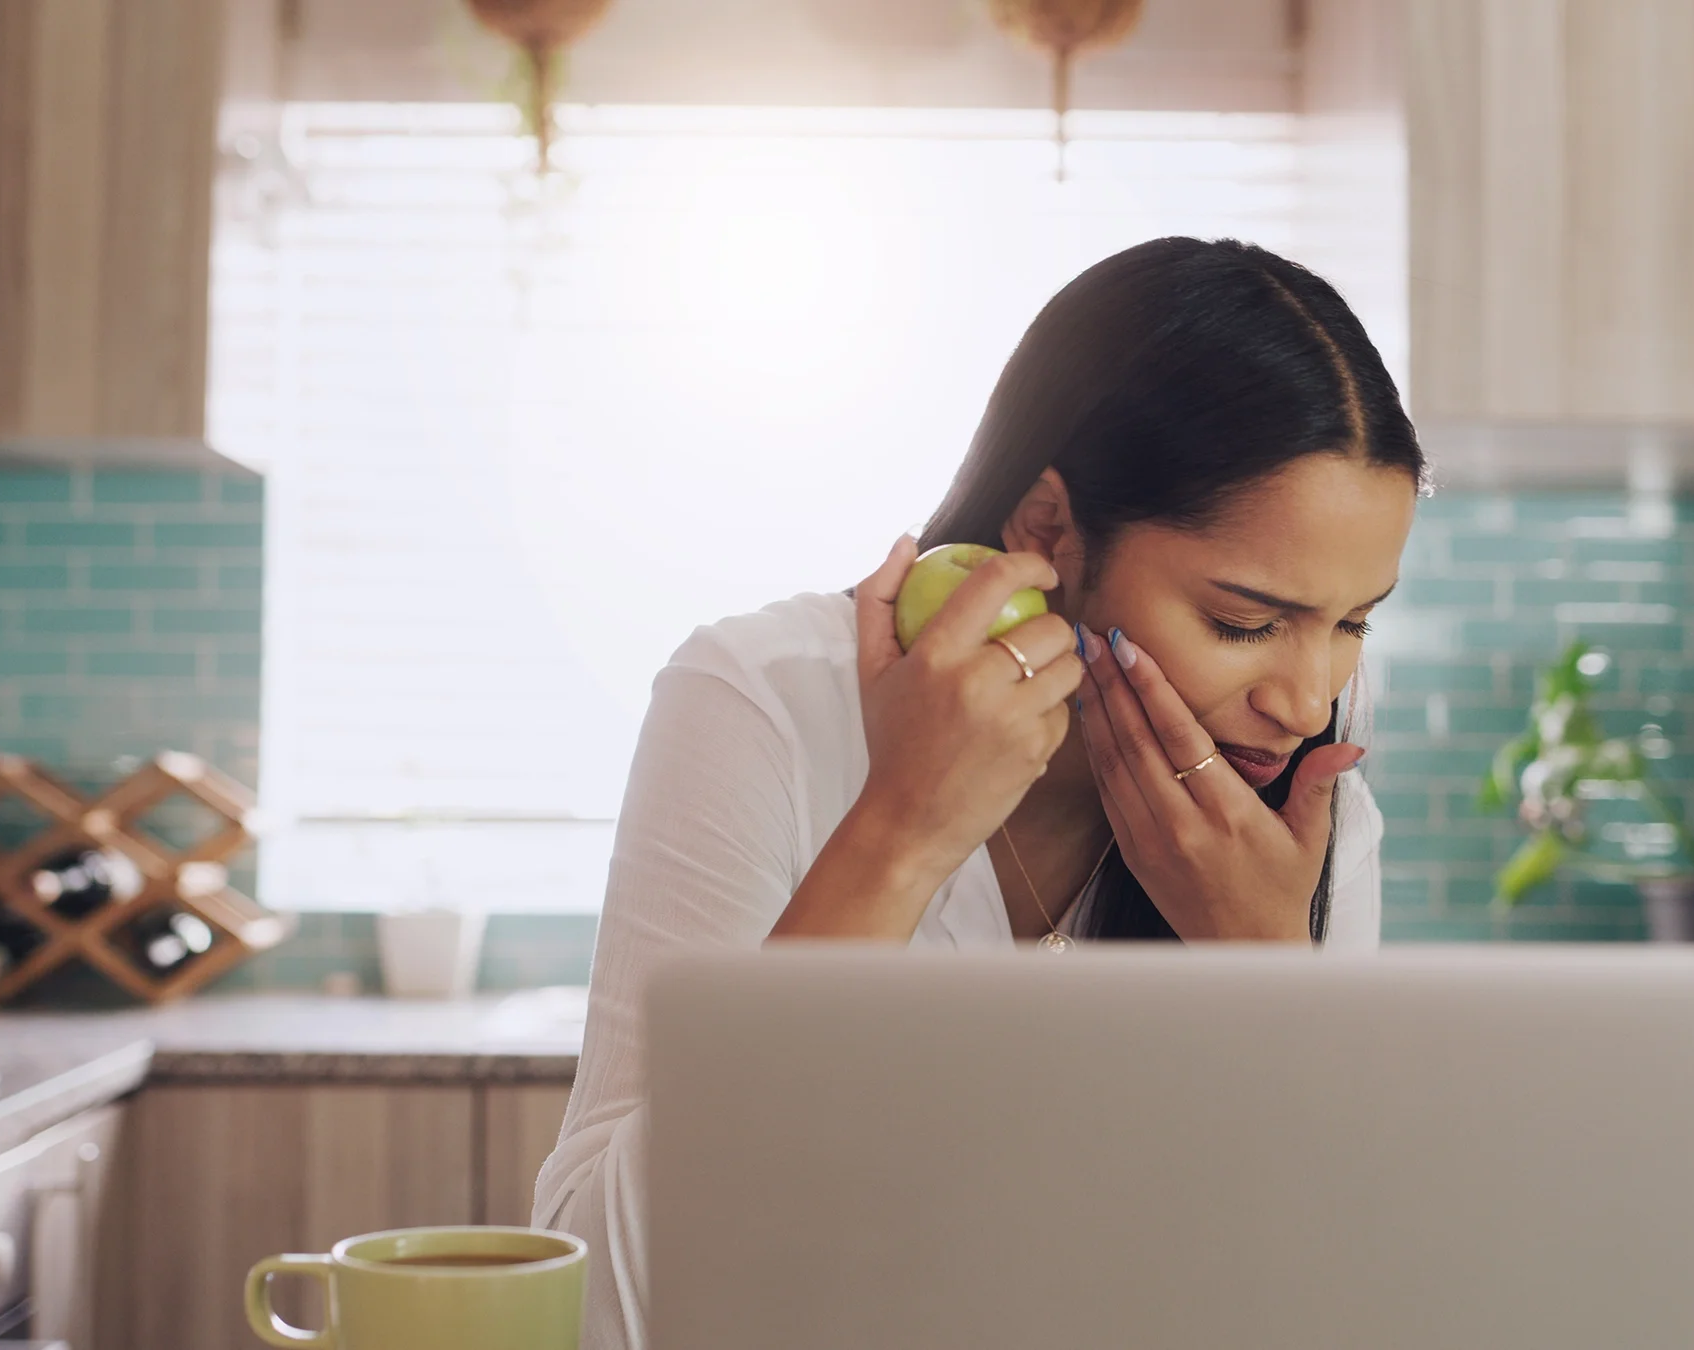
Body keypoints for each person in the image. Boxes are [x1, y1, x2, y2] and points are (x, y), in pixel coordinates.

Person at [532, 236, 1428, 1346]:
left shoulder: (1297, 826)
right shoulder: (762, 703)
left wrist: (1270, 977)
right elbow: (609, 1312)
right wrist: (900, 834)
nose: (1304, 703)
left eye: (1352, 625)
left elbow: (1330, 1304)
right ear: (1049, 529)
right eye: (1246, 624)